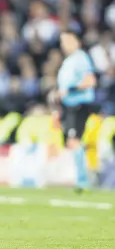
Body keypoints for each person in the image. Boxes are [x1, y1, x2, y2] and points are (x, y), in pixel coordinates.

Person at [49, 31, 97, 192]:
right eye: (62, 41)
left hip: (78, 104)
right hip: (69, 106)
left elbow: (90, 81)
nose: (63, 45)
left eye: (67, 40)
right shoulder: (69, 61)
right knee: (72, 141)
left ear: (76, 41)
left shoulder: (81, 58)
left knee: (74, 140)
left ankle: (83, 180)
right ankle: (81, 177)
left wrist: (68, 90)